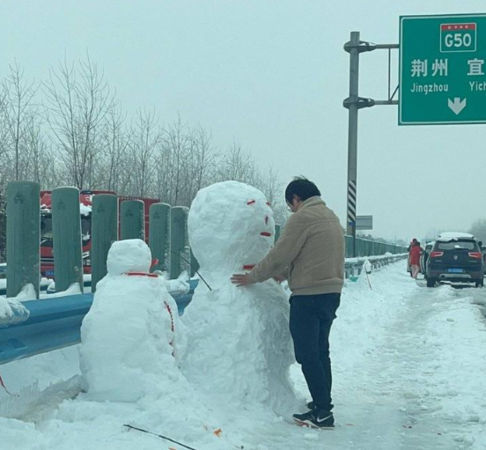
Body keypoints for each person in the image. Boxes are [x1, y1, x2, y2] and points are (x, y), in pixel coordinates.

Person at [231, 177, 345, 429]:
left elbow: (281, 253)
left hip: (308, 296)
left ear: (296, 198)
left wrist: (253, 276)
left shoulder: (302, 218)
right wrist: (288, 273)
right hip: (331, 293)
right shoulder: (330, 217)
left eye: (290, 204)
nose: (291, 210)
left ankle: (323, 413)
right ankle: (322, 403)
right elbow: (313, 255)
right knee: (320, 351)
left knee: (307, 354)